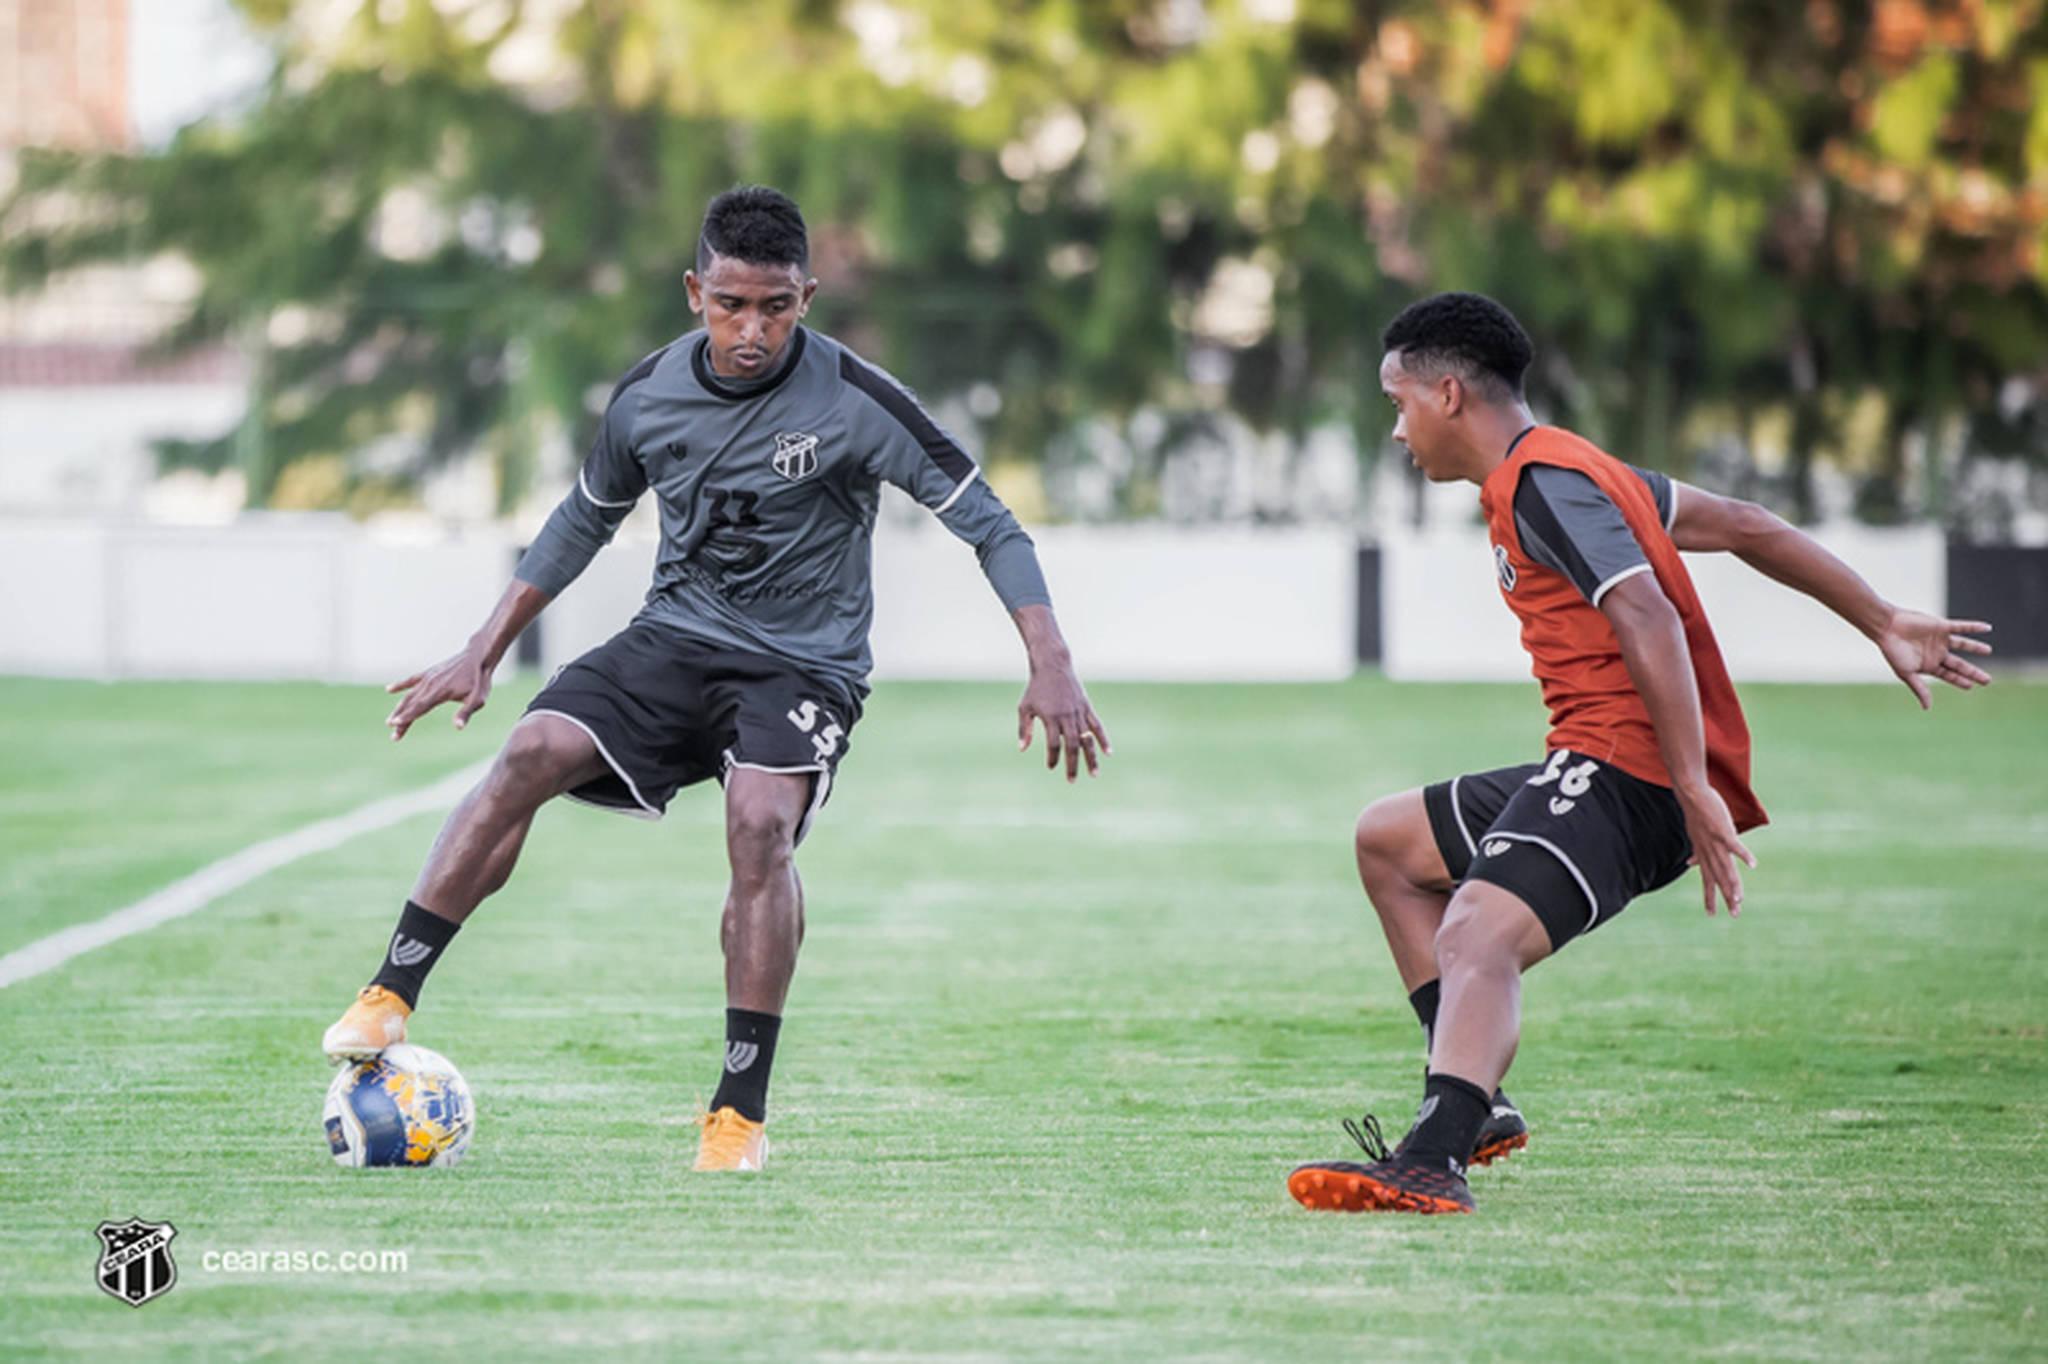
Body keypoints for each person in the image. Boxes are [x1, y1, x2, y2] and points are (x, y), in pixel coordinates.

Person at [322, 185, 1109, 1173]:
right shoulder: (647, 394)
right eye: (731, 303)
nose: (752, 329)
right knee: (529, 749)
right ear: (695, 290)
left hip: (802, 665)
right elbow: (583, 516)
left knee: (755, 823)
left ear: (807, 297)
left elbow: (987, 517)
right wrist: (482, 645)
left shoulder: (856, 401)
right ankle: (390, 992)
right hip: (673, 639)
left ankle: (737, 1110)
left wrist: (1050, 660)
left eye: (775, 306)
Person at [1288, 292, 1992, 1214]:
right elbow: (1742, 523)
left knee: (1474, 932)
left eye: (1399, 403)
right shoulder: (1575, 471)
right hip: (1600, 759)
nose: (1396, 430)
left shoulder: (1550, 484)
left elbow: (1647, 612)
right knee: (1388, 842)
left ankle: (1435, 1155)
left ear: (1448, 394)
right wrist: (1883, 617)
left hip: (1633, 768)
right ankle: (1476, 1101)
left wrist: (1693, 785)